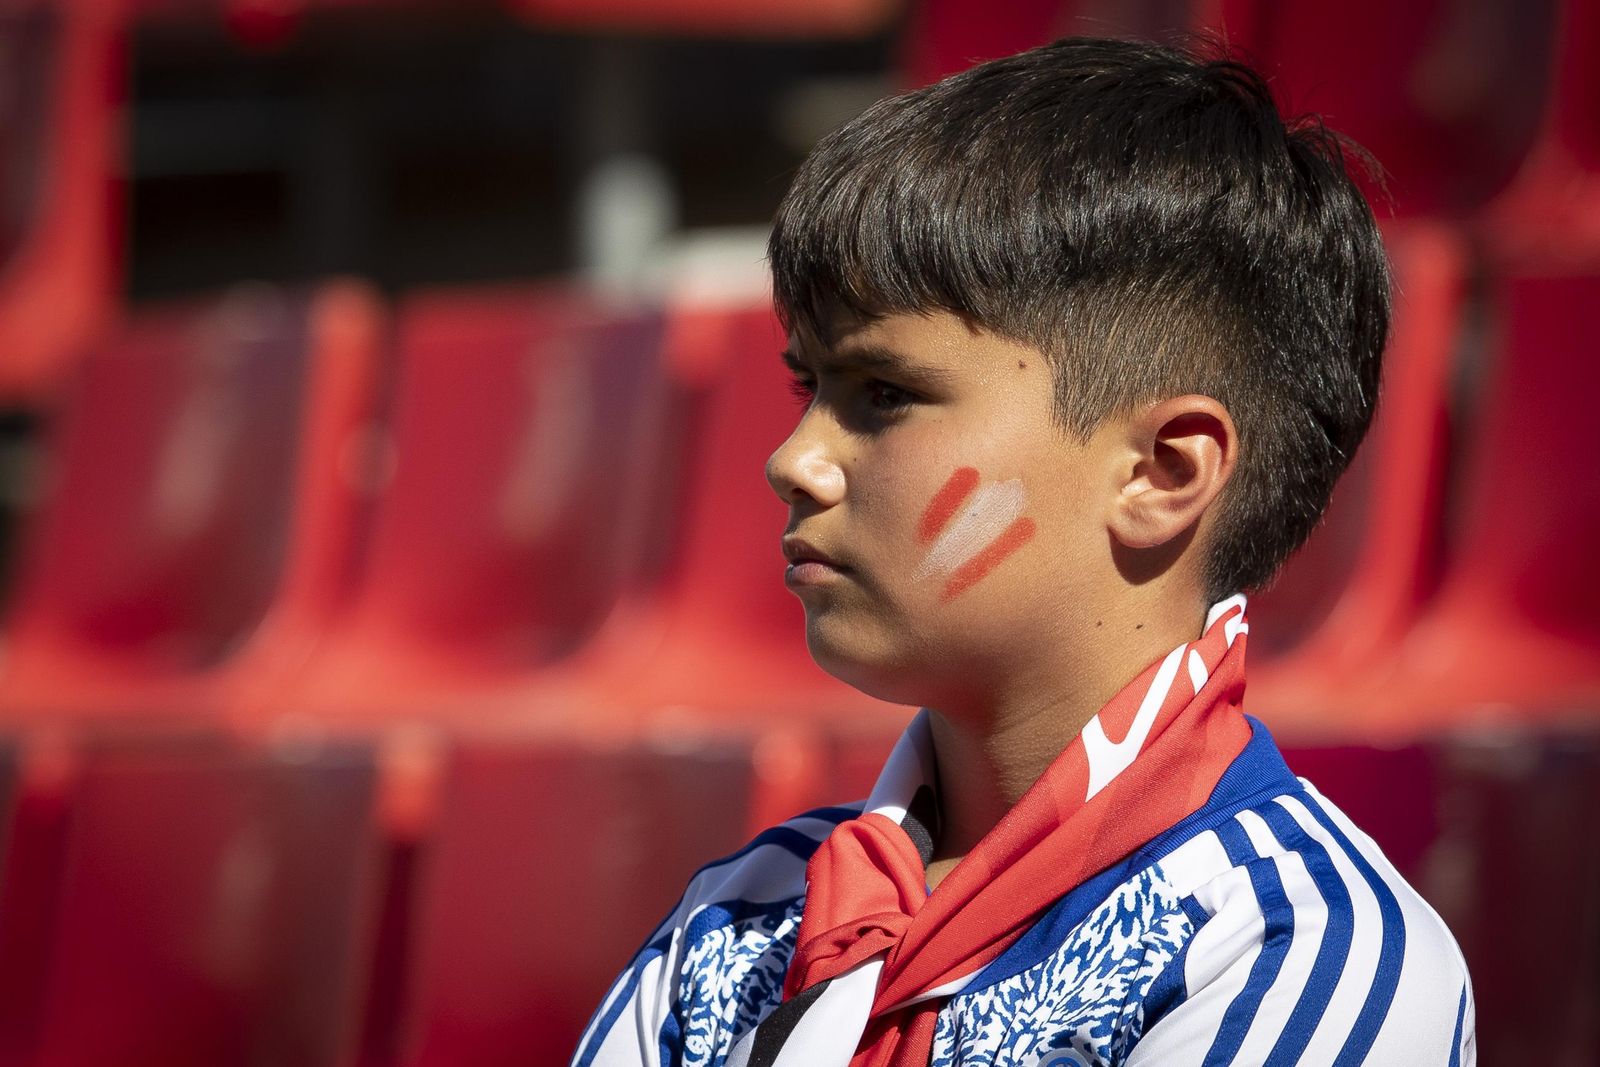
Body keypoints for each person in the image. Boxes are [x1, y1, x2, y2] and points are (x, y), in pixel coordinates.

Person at [571, 35, 1474, 1067]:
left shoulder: (1296, 954)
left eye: (884, 394)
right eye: (806, 387)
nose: (793, 461)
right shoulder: (735, 921)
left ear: (1161, 473)